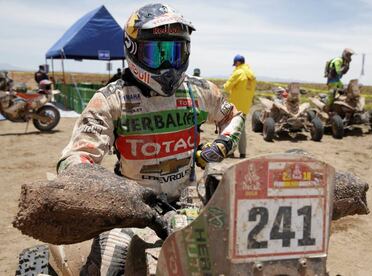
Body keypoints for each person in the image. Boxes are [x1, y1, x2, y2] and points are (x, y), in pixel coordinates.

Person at [56, 3, 245, 274]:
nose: (168, 64)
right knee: (108, 266)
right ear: (133, 50)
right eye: (157, 53)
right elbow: (75, 156)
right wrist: (93, 181)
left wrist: (220, 146)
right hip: (133, 210)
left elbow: (233, 117)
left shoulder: (201, 91)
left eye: (175, 52)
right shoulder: (111, 99)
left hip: (190, 203)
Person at [223, 54, 256, 158]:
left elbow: (227, 87)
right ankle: (243, 153)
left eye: (235, 64)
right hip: (245, 106)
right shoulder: (251, 75)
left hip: (236, 106)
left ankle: (231, 152)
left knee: (232, 128)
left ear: (237, 62)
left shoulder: (238, 73)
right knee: (241, 128)